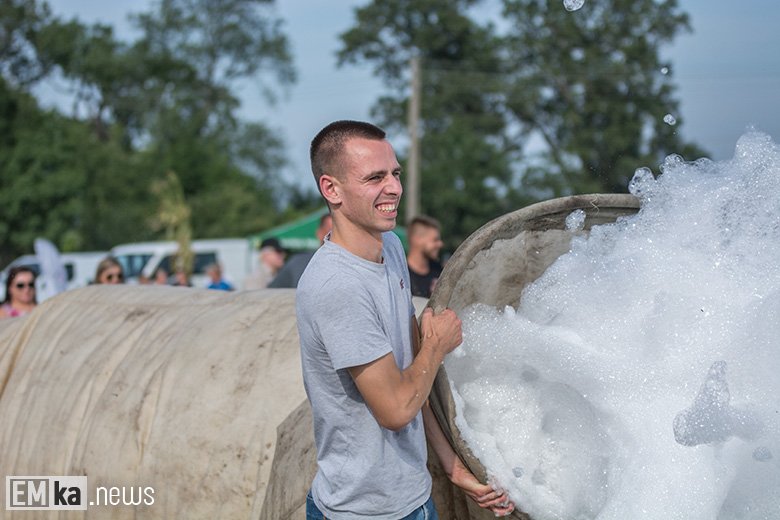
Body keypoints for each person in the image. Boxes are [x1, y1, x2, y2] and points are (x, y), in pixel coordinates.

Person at [296, 120, 514, 519]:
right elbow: (396, 409)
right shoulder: (338, 285)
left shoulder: (391, 247)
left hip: (414, 499)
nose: (394, 187)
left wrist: (452, 467)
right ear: (331, 189)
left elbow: (412, 376)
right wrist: (436, 345)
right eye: (375, 177)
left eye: (395, 173)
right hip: (362, 512)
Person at [268, 214, 332, 288]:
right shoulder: (298, 263)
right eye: (331, 232)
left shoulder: (343, 265)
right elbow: (271, 291)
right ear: (319, 233)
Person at [406, 215, 445, 298]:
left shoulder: (441, 272)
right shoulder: (402, 275)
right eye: (435, 240)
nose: (440, 244)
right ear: (417, 240)